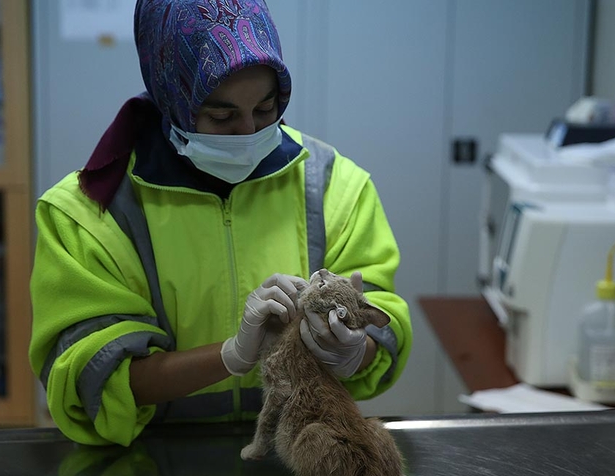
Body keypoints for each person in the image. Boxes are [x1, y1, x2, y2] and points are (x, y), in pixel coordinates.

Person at [29, 0, 412, 447]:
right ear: (172, 97)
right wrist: (230, 356)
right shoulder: (90, 214)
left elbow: (384, 326)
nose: (248, 132)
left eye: (266, 109)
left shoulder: (333, 186)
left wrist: (350, 350)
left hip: (294, 451)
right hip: (154, 455)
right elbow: (91, 374)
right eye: (222, 116)